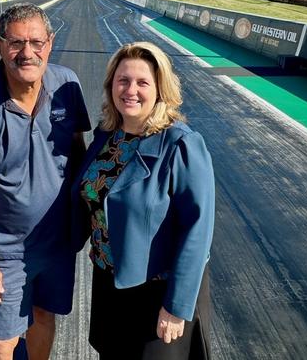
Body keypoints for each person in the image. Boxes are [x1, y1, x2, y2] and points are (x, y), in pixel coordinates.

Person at [0, 3, 91, 360]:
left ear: (50, 43)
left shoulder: (67, 86)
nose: (27, 53)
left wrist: (83, 222)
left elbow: (79, 151)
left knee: (43, 317)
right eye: (15, 43)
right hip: (5, 253)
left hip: (58, 244)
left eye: (36, 42)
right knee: (1, 343)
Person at [72, 41, 214, 359]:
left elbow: (198, 231)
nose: (130, 90)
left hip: (157, 290)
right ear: (111, 86)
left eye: (142, 82)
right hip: (109, 280)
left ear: (160, 88)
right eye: (123, 80)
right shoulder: (107, 135)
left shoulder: (181, 145)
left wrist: (176, 306)